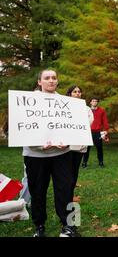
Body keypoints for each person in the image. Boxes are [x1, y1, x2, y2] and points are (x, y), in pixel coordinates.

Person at [23, 69, 80, 237]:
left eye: (54, 78)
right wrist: (39, 145)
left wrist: (68, 141)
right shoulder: (26, 102)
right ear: (39, 82)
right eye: (47, 78)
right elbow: (23, 129)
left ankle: (70, 226)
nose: (51, 80)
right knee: (37, 191)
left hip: (62, 154)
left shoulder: (67, 103)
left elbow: (75, 129)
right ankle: (39, 227)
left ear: (57, 81)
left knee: (66, 189)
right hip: (35, 156)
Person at [66, 85, 94, 200]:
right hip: (66, 145)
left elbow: (90, 121)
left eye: (79, 91)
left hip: (80, 144)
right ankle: (65, 195)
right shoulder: (64, 106)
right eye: (74, 91)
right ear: (69, 94)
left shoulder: (86, 108)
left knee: (74, 171)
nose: (77, 93)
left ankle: (71, 194)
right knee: (66, 172)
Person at [82, 97, 109, 168]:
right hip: (88, 132)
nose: (94, 102)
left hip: (97, 132)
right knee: (86, 149)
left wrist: (106, 130)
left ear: (97, 102)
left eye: (96, 101)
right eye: (93, 101)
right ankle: (84, 163)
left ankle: (101, 162)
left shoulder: (101, 111)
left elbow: (105, 121)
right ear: (90, 102)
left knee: (99, 148)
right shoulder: (86, 110)